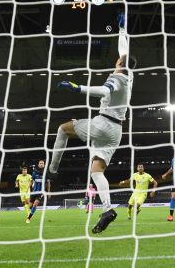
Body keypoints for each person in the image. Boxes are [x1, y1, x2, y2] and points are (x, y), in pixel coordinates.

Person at [49, 13, 136, 234]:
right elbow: (123, 51)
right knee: (97, 171)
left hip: (103, 123)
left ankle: (52, 170)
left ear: (118, 64)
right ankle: (107, 209)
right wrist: (122, 30)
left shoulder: (117, 78)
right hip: (116, 131)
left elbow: (104, 90)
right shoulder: (129, 74)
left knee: (63, 129)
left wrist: (79, 88)